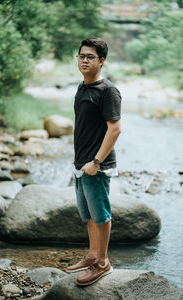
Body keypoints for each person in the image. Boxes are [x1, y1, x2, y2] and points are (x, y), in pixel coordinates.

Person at [66, 38, 122, 286]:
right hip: (82, 164)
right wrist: (78, 157)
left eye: (90, 57)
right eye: (81, 56)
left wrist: (96, 162)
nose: (84, 60)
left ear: (101, 61)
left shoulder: (108, 91)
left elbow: (115, 130)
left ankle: (103, 263)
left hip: (97, 166)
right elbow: (84, 125)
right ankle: (91, 256)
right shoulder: (82, 87)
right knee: (88, 214)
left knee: (100, 215)